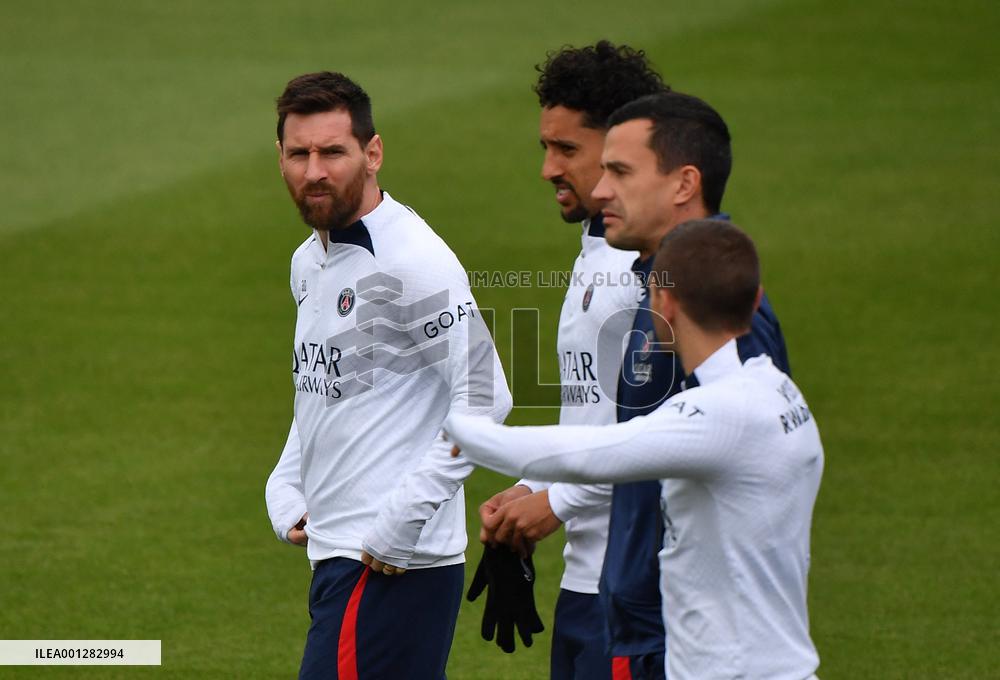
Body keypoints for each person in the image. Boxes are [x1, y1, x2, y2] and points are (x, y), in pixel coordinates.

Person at [448, 219, 824, 680]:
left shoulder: (715, 417)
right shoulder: (779, 391)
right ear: (757, 299)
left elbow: (591, 454)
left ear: (663, 303)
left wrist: (462, 428)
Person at [263, 71, 512, 680]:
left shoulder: (412, 261)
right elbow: (325, 387)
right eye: (298, 154)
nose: (314, 171)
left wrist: (405, 515)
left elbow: (487, 395)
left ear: (372, 153)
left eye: (332, 152)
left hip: (388, 565)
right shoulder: (309, 260)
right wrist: (287, 483)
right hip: (340, 553)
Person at [474, 41, 665, 679]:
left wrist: (555, 501)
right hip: (587, 585)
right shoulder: (597, 252)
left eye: (566, 149)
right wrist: (532, 489)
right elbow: (593, 416)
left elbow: (661, 432)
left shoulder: (650, 273)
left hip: (639, 587)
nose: (548, 169)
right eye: (544, 147)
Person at [591, 91, 792, 678]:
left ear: (684, 183)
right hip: (653, 626)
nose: (599, 191)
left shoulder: (720, 314)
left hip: (687, 639)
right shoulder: (663, 288)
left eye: (620, 172)